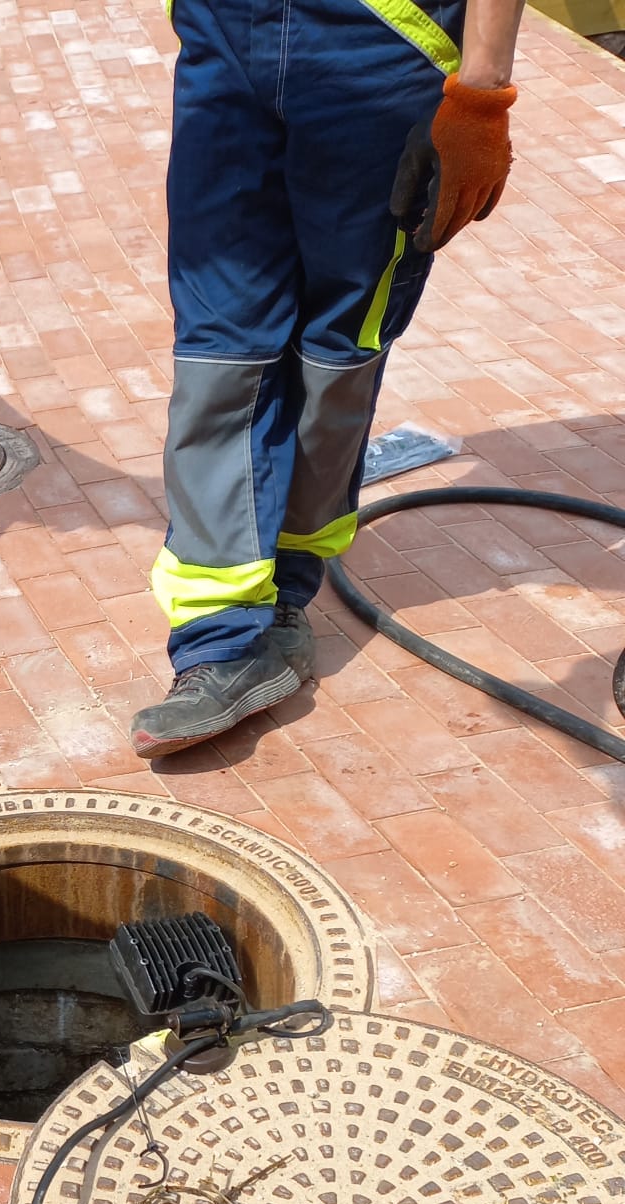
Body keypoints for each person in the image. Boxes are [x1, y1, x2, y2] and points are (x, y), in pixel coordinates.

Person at [128, 0, 522, 758]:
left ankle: (284, 596)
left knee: (336, 348)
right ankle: (218, 643)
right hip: (225, 34)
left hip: (380, 39)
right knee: (220, 348)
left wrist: (482, 93)